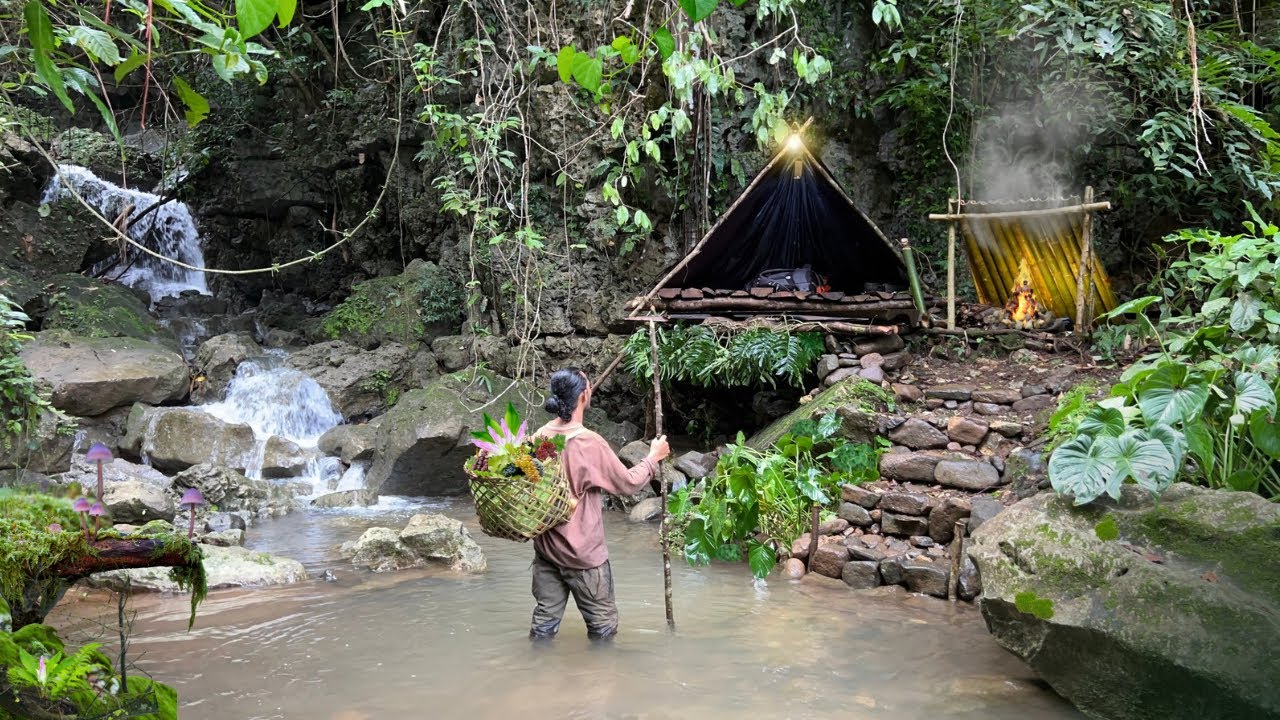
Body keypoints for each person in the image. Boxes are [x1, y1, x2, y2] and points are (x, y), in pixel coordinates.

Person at [528, 367, 670, 640]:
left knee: (543, 625)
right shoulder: (589, 443)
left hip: (546, 550)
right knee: (603, 628)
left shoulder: (539, 438)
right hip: (583, 556)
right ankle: (601, 678)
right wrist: (653, 457)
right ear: (584, 396)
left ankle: (537, 677)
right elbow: (628, 484)